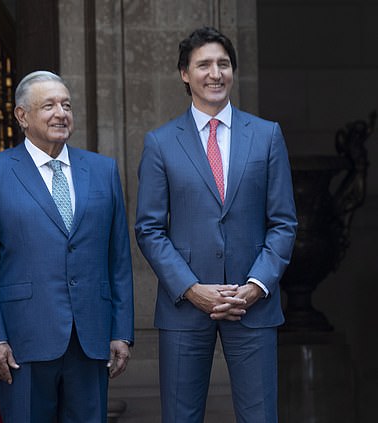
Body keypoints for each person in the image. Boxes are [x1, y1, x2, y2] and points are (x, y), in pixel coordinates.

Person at [135, 27, 297, 423]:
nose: (215, 73)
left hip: (253, 304)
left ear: (233, 71)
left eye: (223, 64)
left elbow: (283, 222)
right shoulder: (160, 143)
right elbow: (149, 229)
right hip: (186, 306)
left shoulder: (266, 135)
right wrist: (191, 289)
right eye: (203, 64)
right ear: (184, 74)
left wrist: (257, 286)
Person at [0, 70, 134, 422]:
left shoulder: (103, 171)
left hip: (91, 338)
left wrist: (122, 331)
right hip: (23, 338)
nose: (61, 113)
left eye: (66, 105)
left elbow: (118, 260)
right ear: (22, 116)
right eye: (49, 106)